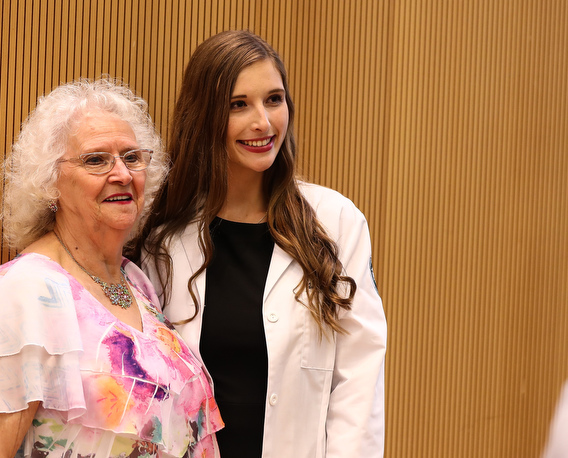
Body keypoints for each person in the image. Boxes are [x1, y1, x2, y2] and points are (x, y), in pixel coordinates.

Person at [128, 30, 387, 457]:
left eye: (273, 99)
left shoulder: (336, 223)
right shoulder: (164, 237)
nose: (263, 123)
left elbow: (358, 379)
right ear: (206, 116)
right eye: (238, 105)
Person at [0, 78, 223, 458]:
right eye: (96, 160)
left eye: (132, 157)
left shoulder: (135, 281)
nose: (122, 174)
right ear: (50, 182)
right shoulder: (27, 291)